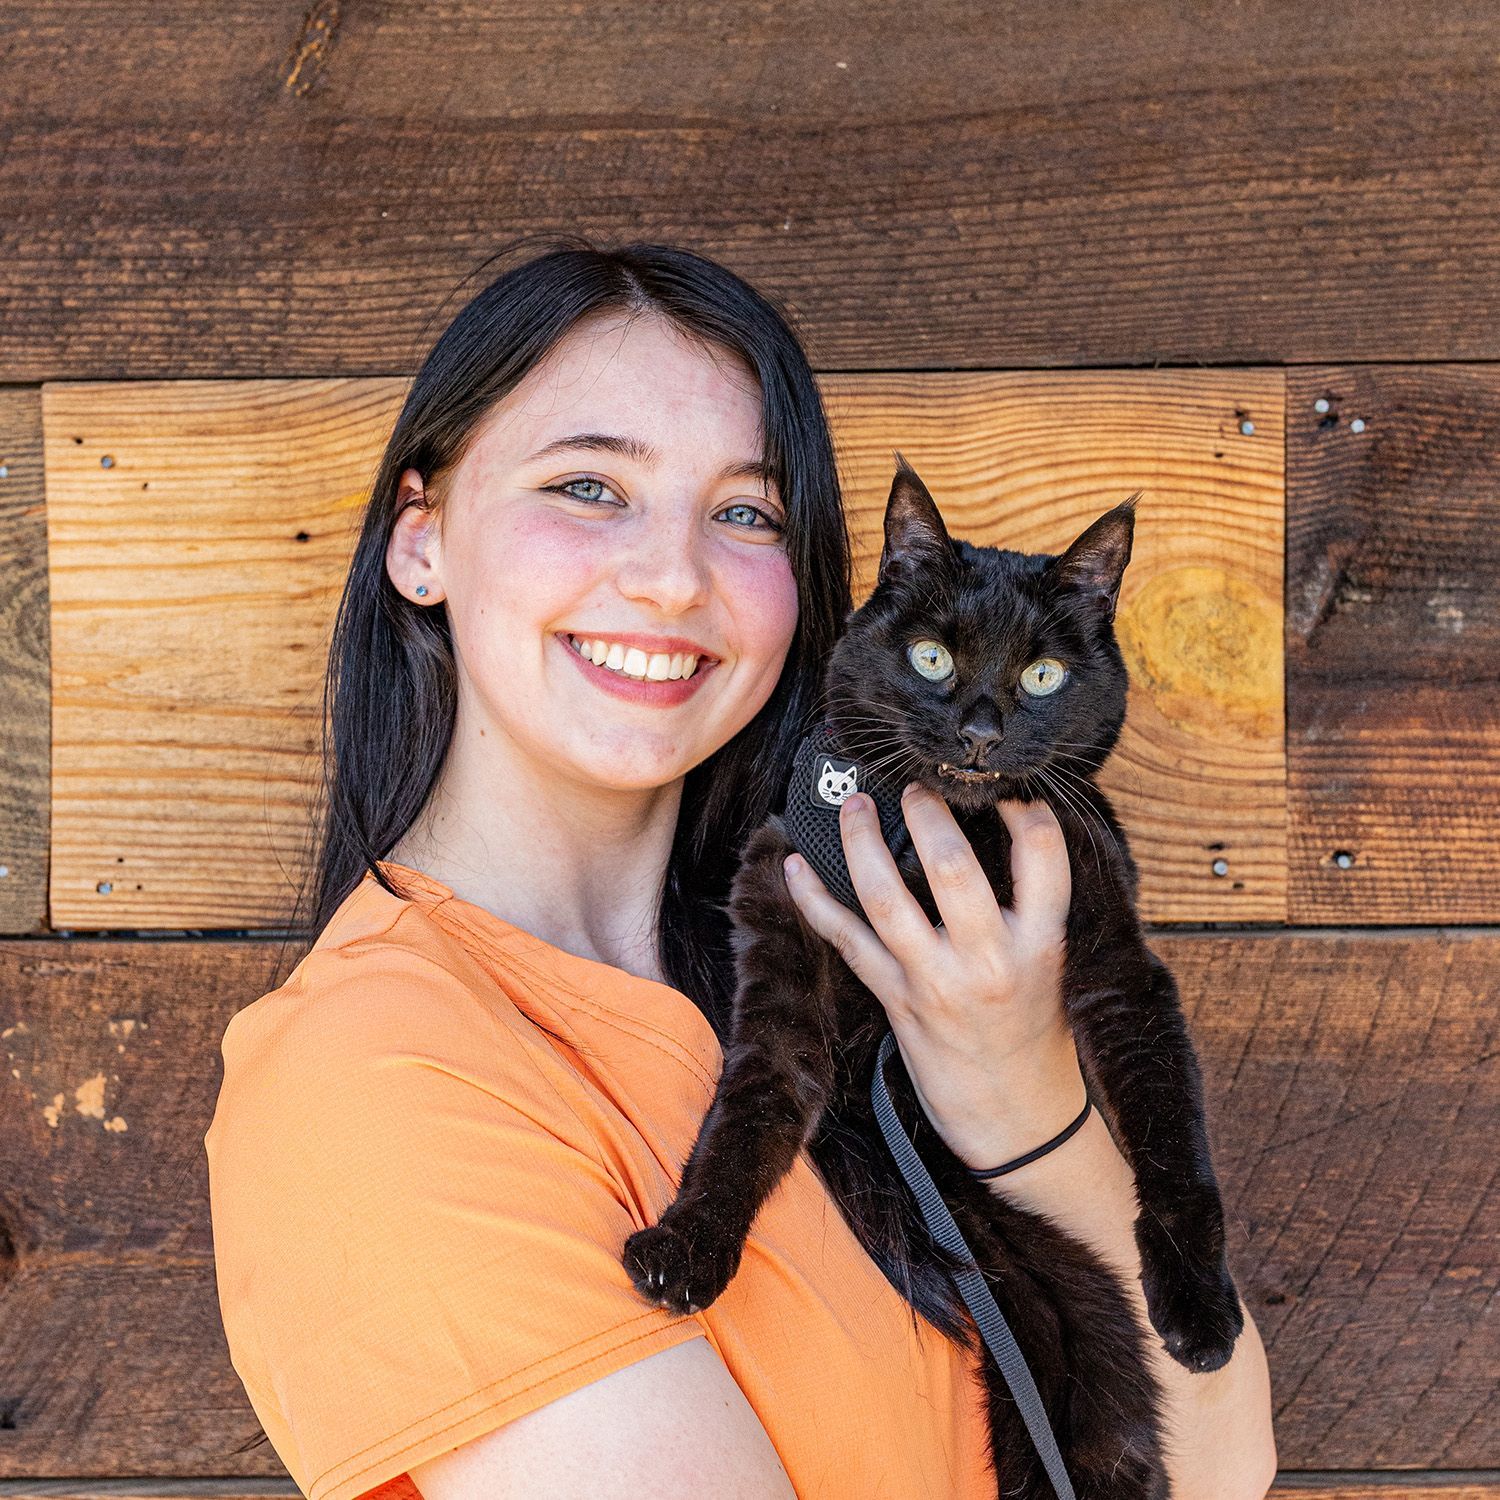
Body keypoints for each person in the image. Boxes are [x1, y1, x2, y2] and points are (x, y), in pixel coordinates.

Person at [204, 237, 1276, 1500]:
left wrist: (1018, 1091)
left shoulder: (850, 962)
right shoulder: (372, 1070)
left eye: (745, 513)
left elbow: (1216, 1469)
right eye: (590, 487)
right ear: (421, 541)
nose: (670, 578)